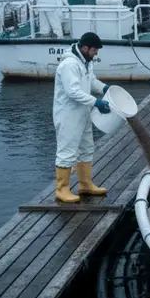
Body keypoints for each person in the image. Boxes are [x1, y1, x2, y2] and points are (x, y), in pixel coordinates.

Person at [52, 32, 111, 203]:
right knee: (67, 151)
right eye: (94, 50)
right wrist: (96, 102)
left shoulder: (86, 61)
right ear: (85, 48)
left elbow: (91, 81)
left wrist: (104, 88)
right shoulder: (69, 64)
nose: (96, 53)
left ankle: (85, 184)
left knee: (87, 148)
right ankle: (62, 190)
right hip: (68, 114)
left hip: (83, 112)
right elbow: (72, 92)